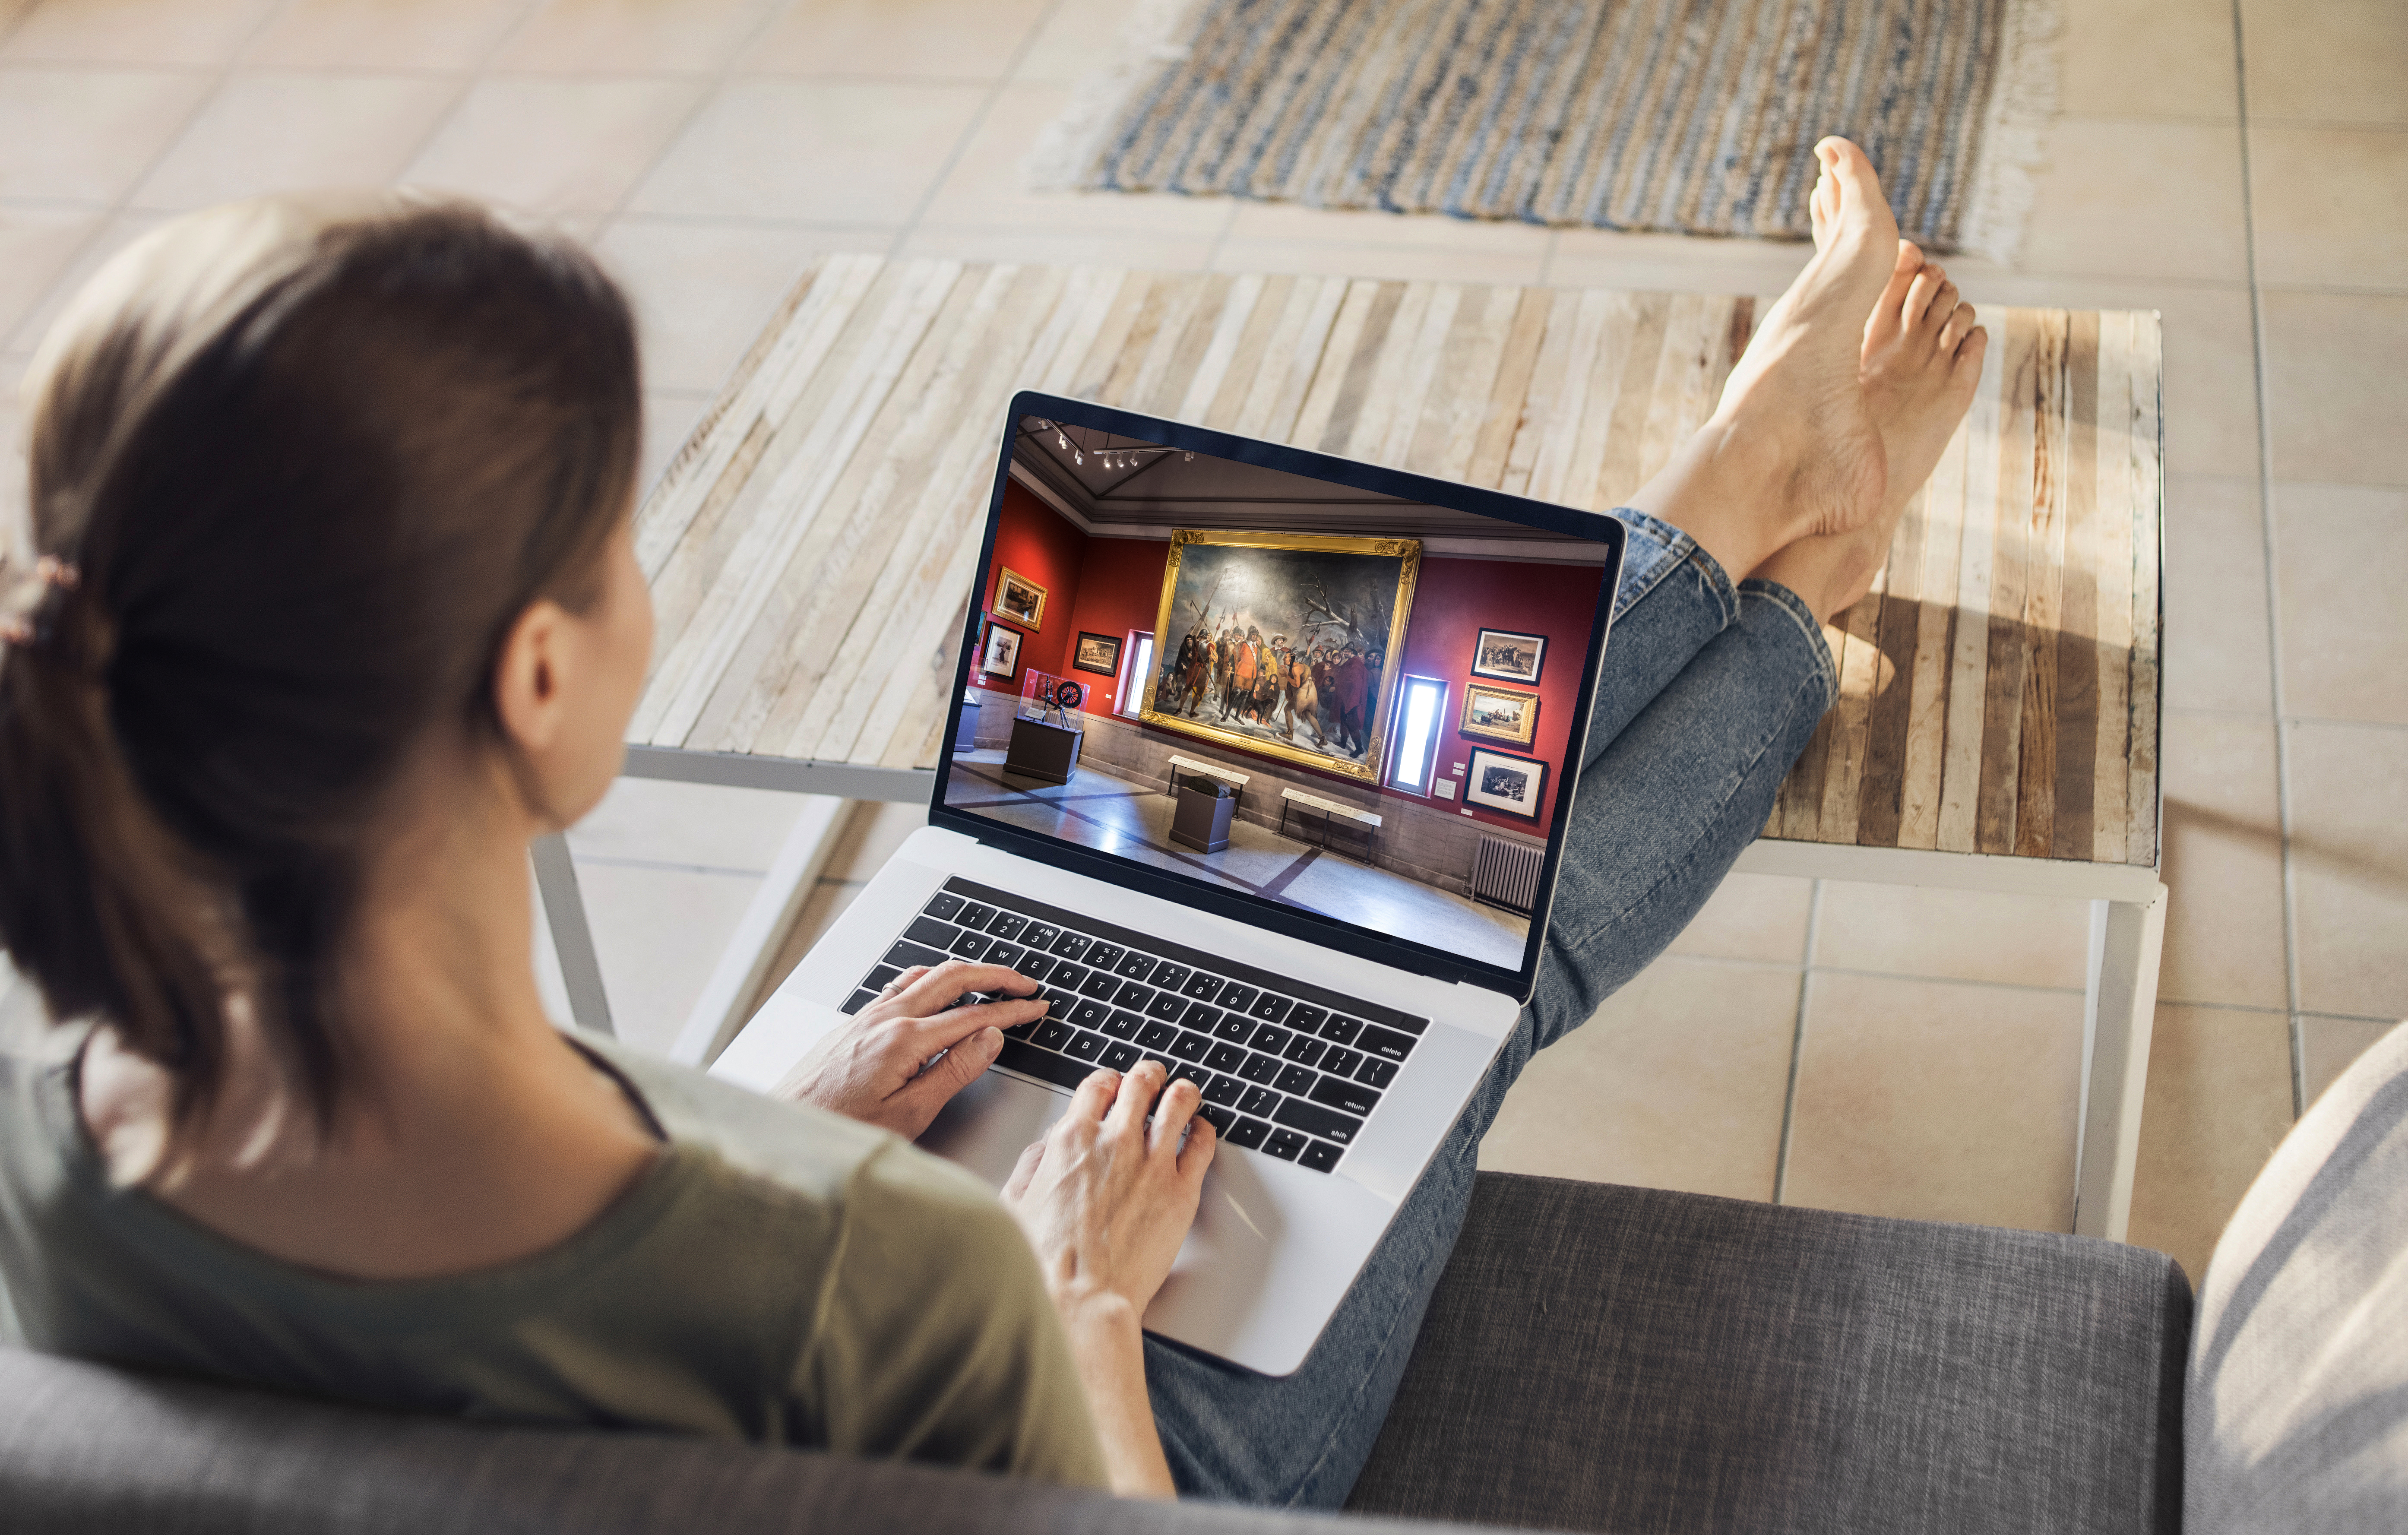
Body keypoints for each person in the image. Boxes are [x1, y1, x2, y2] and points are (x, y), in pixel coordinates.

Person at [0, 136, 1987, 1507]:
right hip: (1136, 1422)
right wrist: (1080, 1292)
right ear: (533, 680)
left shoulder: (56, 1157)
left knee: (1394, 889)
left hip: (875, 1226)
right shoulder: (897, 1288)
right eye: (623, 547)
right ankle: (1795, 567)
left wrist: (764, 1121)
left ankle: (1772, 533)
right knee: (1468, 953)